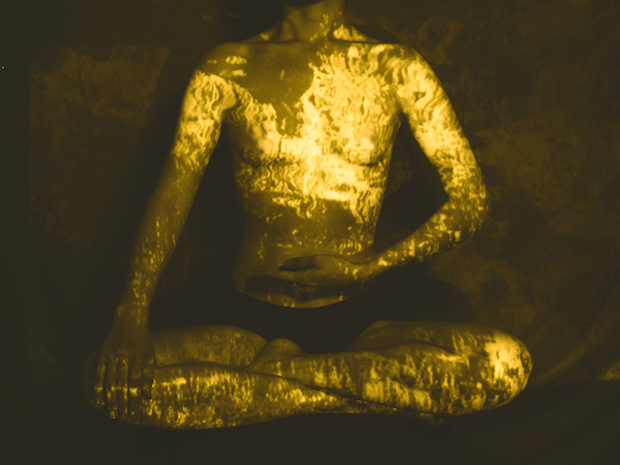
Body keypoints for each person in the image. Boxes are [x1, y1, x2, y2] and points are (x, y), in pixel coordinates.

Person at [82, 0, 532, 429]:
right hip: (249, 320)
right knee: (103, 384)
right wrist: (131, 314)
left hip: (363, 322)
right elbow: (172, 195)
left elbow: (470, 201)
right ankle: (366, 396)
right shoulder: (226, 66)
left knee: (505, 364)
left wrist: (370, 267)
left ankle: (286, 376)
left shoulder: (397, 68)